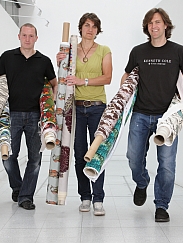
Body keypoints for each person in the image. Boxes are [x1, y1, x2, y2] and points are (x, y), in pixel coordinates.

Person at [120, 8, 183, 222]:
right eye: (150, 23)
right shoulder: (138, 52)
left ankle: (162, 206)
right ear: (147, 27)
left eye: (158, 22)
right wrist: (122, 98)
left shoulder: (179, 51)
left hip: (168, 119)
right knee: (133, 157)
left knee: (167, 165)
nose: (154, 26)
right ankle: (142, 182)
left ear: (166, 25)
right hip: (141, 114)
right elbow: (126, 75)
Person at [0, 23, 57, 210]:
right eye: (24, 35)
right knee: (8, 156)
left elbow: (54, 84)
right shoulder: (7, 57)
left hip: (36, 116)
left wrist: (50, 107)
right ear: (19, 36)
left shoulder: (44, 61)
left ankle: (26, 196)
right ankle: (18, 186)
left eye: (31, 36)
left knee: (35, 158)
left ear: (36, 38)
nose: (27, 39)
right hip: (13, 115)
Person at [57, 13, 112, 216]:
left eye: (94, 26)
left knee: (97, 153)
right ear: (81, 28)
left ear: (98, 30)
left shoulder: (104, 50)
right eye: (87, 25)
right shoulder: (71, 50)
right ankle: (85, 197)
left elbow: (107, 77)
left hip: (98, 107)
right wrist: (60, 61)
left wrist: (84, 81)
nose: (90, 29)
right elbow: (64, 76)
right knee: (80, 154)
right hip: (77, 108)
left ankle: (98, 199)